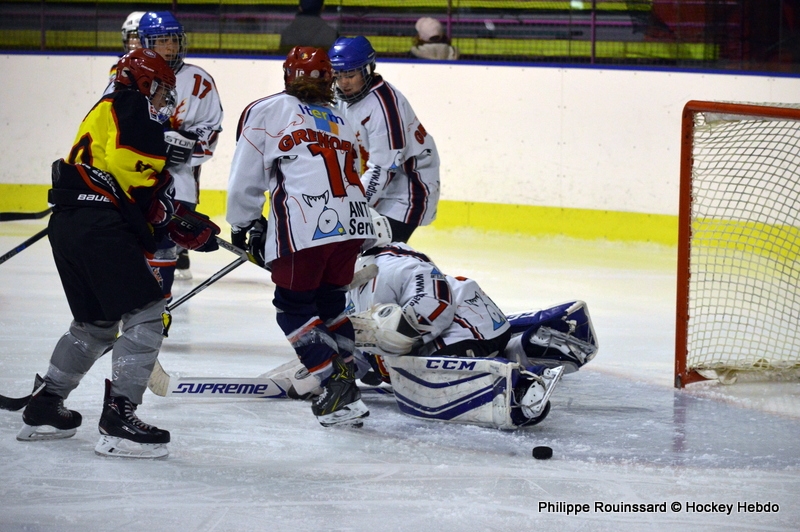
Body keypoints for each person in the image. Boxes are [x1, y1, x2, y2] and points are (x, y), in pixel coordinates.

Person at [16, 49, 220, 458]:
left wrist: (164, 216)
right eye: (163, 91)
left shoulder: (107, 106)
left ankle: (45, 404)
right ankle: (119, 420)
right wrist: (170, 216)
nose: (165, 101)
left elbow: (117, 177)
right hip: (99, 227)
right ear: (147, 83)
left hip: (71, 223)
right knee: (148, 312)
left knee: (94, 324)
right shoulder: (132, 105)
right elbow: (135, 177)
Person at [226, 46, 379, 428]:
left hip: (308, 226)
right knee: (331, 306)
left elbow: (248, 172)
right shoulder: (339, 117)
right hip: (353, 224)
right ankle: (348, 391)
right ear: (330, 80)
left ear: (288, 75)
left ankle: (334, 384)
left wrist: (244, 222)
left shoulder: (267, 109)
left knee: (293, 308)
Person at [339, 238, 599, 430]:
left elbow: (435, 302)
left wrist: (396, 330)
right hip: (476, 327)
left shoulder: (390, 264)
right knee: (403, 370)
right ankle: (529, 346)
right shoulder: (354, 281)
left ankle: (518, 386)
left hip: (464, 332)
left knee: (423, 384)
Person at [138, 11, 224, 292]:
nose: (170, 47)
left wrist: (187, 144)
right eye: (162, 41)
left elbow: (211, 129)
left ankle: (156, 316)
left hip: (179, 187)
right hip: (133, 183)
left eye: (173, 40)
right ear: (146, 44)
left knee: (163, 252)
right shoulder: (128, 76)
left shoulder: (199, 81)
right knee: (129, 253)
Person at [328, 36, 440, 243]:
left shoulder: (384, 107)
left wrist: (355, 208)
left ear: (368, 70)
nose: (344, 82)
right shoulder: (339, 97)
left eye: (351, 75)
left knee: (377, 253)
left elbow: (383, 168)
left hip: (407, 193)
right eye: (339, 74)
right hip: (378, 187)